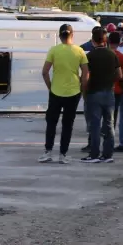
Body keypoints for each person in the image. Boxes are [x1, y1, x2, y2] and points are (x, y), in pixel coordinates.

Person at [39, 23, 88, 164]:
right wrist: (82, 88)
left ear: (60, 35)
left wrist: (50, 87)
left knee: (51, 123)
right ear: (72, 35)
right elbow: (85, 73)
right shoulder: (79, 51)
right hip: (73, 92)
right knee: (68, 124)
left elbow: (44, 72)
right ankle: (63, 154)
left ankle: (48, 152)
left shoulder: (53, 50)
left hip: (56, 91)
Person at [81, 26, 121, 163]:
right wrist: (110, 81)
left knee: (95, 125)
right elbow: (119, 74)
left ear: (93, 40)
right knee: (109, 124)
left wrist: (84, 91)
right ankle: (108, 155)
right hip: (109, 93)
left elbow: (85, 76)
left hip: (94, 92)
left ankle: (94, 154)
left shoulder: (89, 56)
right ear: (105, 40)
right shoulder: (112, 54)